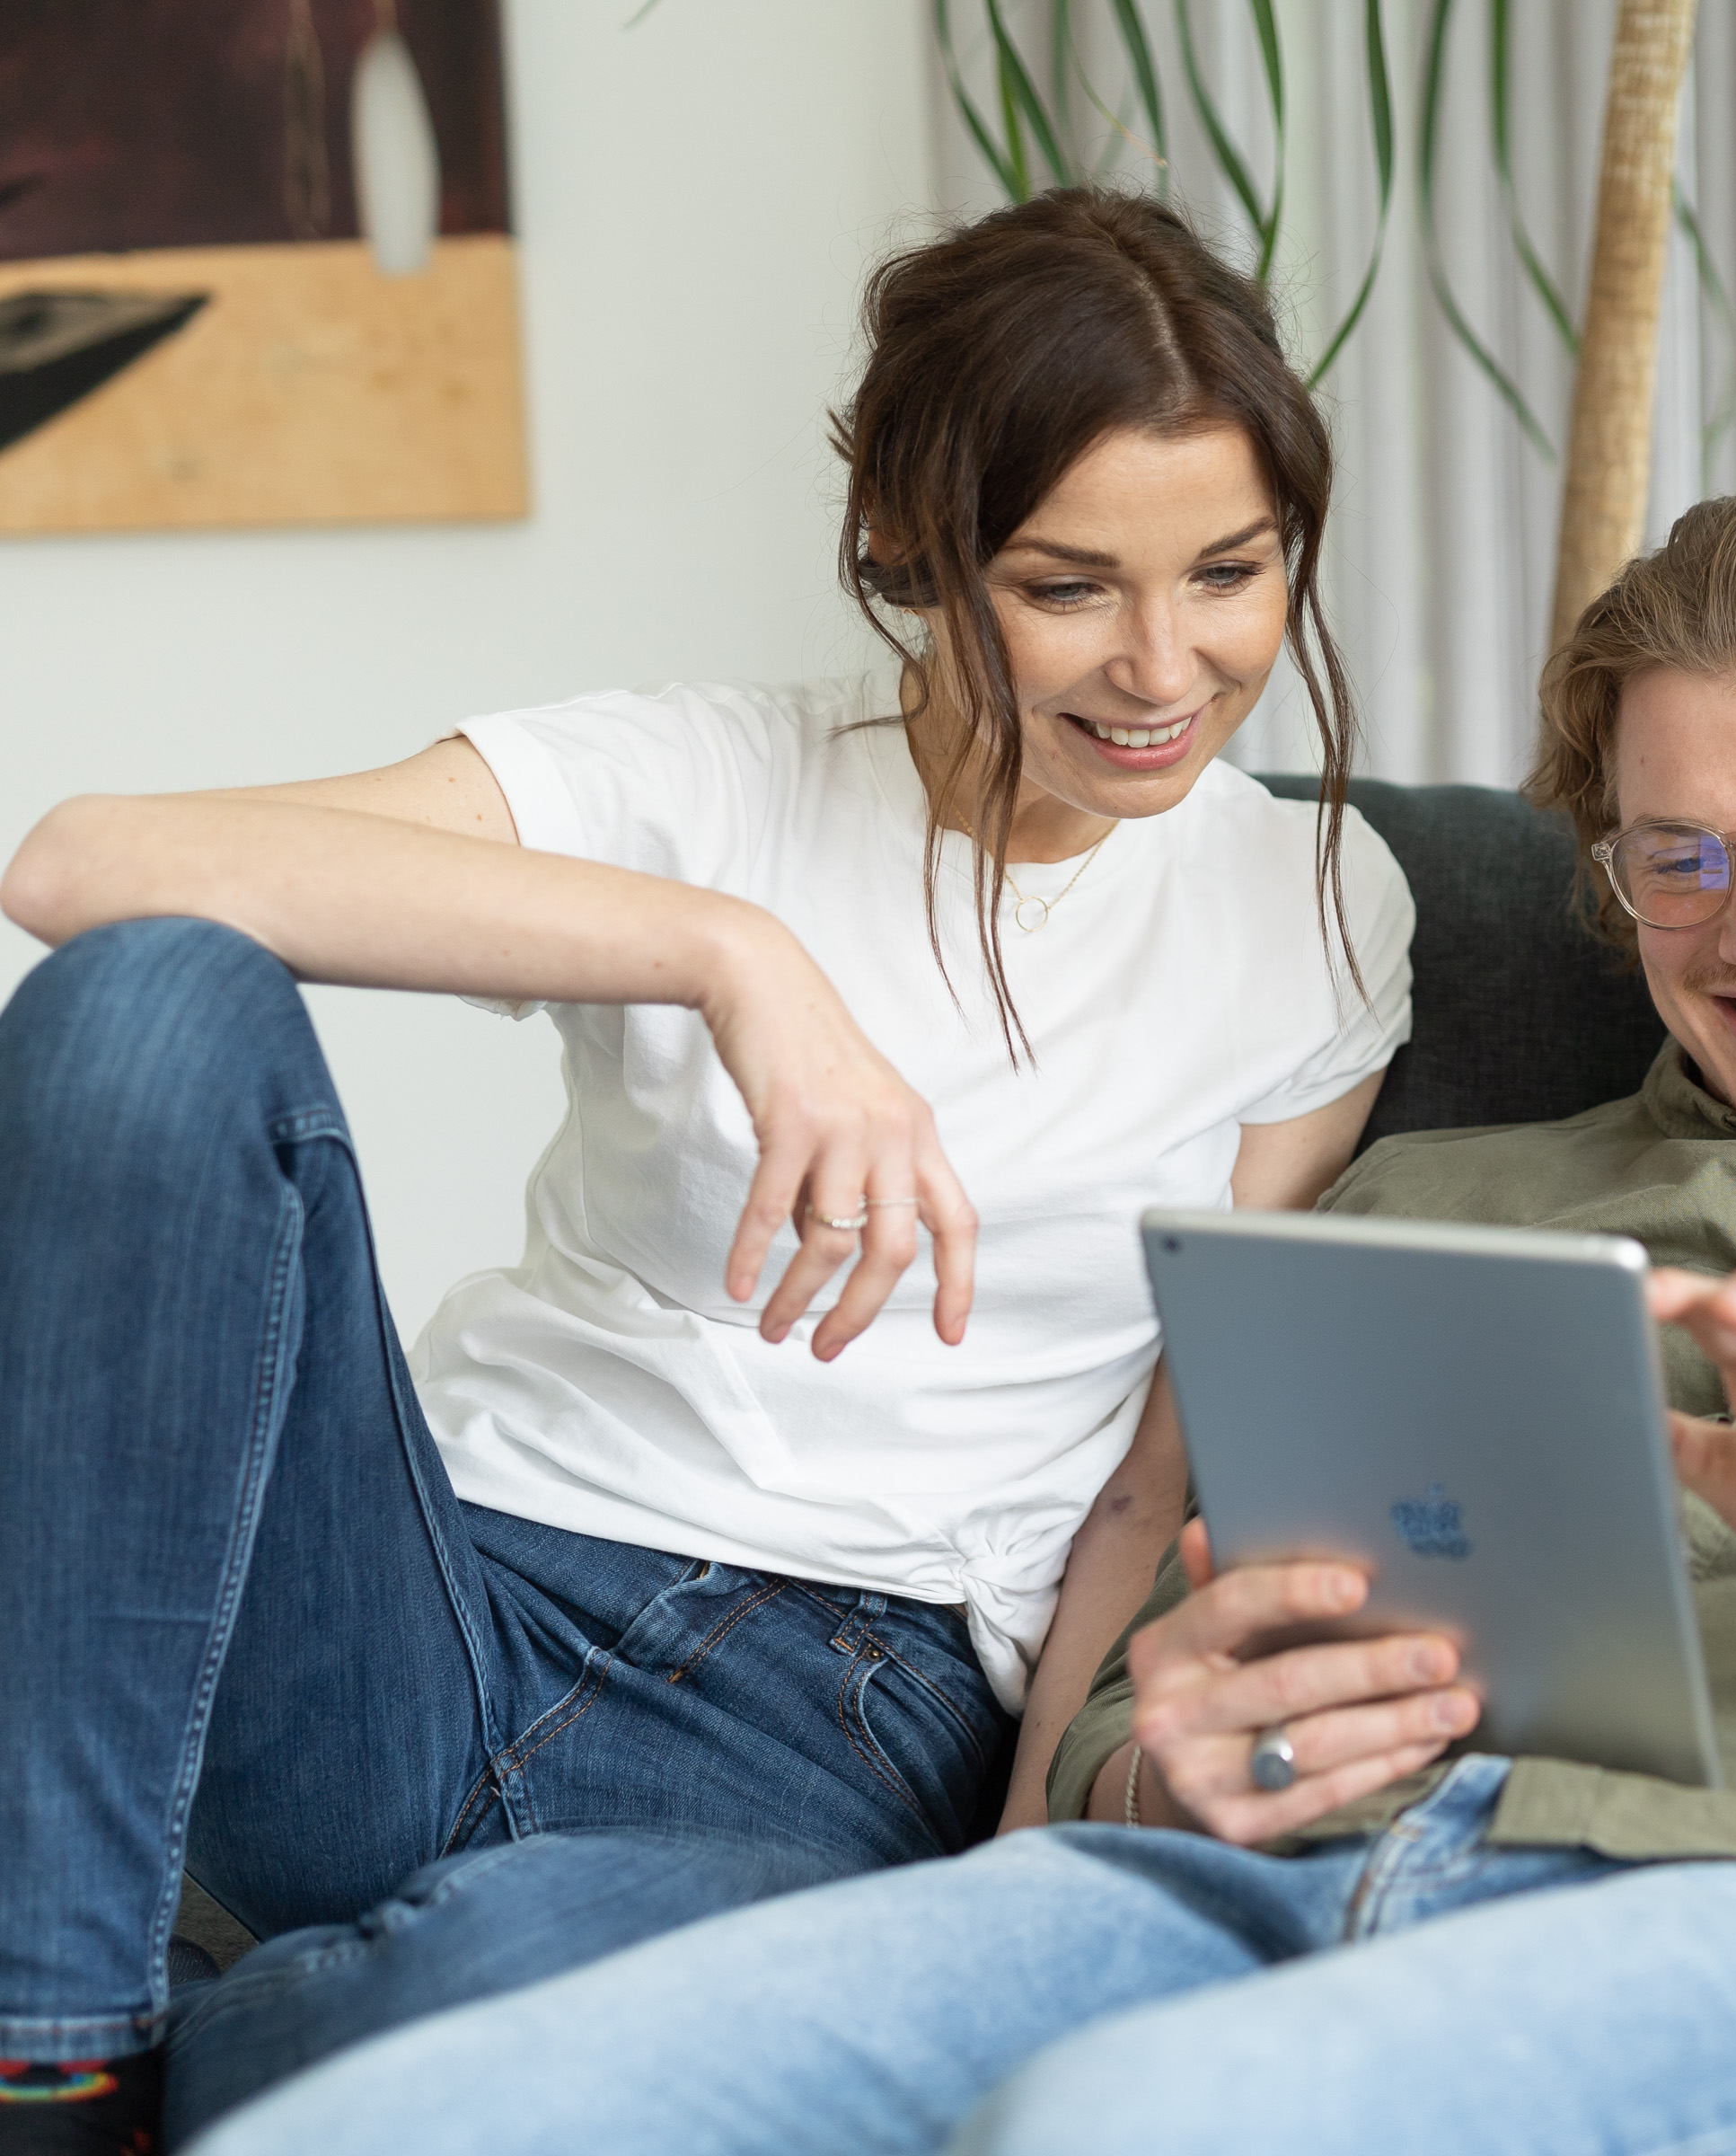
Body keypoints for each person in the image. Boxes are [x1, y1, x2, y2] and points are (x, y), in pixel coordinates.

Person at [193, 482, 1736, 2156]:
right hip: (1240, 1884)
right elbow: (1138, 1674)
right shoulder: (1426, 1203)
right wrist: (1151, 1747)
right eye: (1678, 858)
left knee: (1136, 2130)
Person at [0, 187, 1413, 2155]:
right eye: (1067, 584)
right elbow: (80, 872)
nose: (1164, 666)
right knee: (154, 1011)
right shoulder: (704, 779)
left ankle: (253, 2037)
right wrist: (731, 958)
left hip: (838, 1723)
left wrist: (995, 1913)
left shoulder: (1314, 904)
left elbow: (1150, 1485)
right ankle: (49, 2054)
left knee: (460, 2008)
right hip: (428, 1594)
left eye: (1234, 572)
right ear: (911, 554)